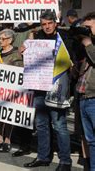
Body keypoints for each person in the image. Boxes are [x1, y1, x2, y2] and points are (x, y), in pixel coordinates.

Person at [22, 11, 76, 170]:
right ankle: (43, 157)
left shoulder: (64, 37)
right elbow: (25, 53)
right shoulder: (36, 36)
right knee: (41, 125)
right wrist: (24, 49)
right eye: (44, 24)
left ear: (55, 23)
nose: (46, 27)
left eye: (49, 23)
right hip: (39, 86)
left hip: (57, 87)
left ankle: (65, 161)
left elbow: (71, 59)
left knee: (59, 125)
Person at [0, 29, 23, 152]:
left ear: (10, 40)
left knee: (8, 115)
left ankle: (7, 140)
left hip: (10, 90)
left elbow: (20, 71)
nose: (0, 41)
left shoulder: (16, 54)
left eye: (2, 39)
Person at [77, 12, 95, 170]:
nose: (87, 31)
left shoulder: (90, 45)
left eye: (89, 27)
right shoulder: (88, 45)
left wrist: (88, 44)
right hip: (84, 97)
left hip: (94, 98)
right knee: (91, 140)